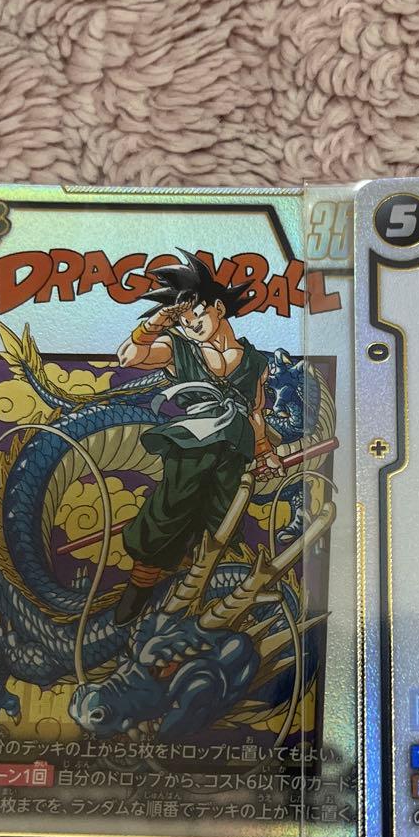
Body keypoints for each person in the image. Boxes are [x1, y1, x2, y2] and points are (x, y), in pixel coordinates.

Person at [113, 250, 283, 625]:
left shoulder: (254, 361)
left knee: (220, 521)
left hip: (234, 450)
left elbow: (255, 411)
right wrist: (159, 320)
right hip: (194, 444)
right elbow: (129, 356)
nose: (192, 327)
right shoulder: (179, 348)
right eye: (185, 323)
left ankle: (188, 594)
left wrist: (264, 450)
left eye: (197, 317)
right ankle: (139, 589)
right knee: (170, 510)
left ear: (218, 308)